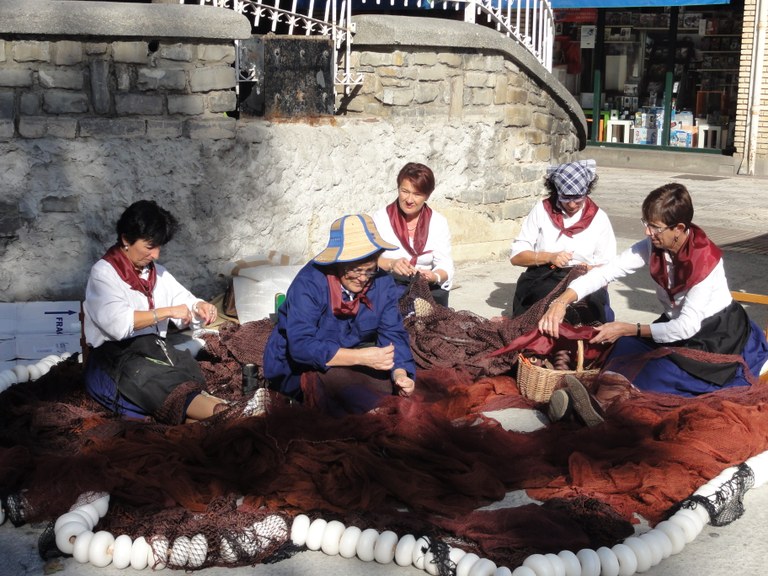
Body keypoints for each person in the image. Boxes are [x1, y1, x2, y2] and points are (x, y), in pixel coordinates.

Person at [539, 183, 768, 420]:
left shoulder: (706, 262)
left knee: (659, 370)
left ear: (678, 228)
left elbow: (686, 328)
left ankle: (598, 409)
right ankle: (597, 407)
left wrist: (630, 328)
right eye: (645, 223)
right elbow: (608, 271)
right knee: (624, 347)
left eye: (654, 227)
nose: (648, 232)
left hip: (714, 336)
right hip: (674, 325)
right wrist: (563, 300)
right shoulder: (654, 245)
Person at [83, 200, 229, 424]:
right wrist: (167, 312)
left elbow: (184, 301)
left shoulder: (157, 273)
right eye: (150, 246)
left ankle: (223, 415)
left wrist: (199, 307)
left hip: (153, 352)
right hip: (115, 359)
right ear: (126, 240)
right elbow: (118, 324)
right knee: (158, 381)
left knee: (187, 372)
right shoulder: (104, 273)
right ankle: (229, 415)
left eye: (159, 247)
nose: (156, 255)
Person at [263, 214, 416, 416]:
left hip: (349, 356)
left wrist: (400, 374)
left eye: (369, 270)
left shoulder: (382, 283)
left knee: (392, 393)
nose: (362, 278)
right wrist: (361, 357)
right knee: (347, 396)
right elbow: (301, 346)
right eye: (354, 270)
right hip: (299, 365)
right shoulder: (309, 283)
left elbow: (393, 334)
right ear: (337, 264)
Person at [510, 159, 616, 324]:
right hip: (546, 274)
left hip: (584, 278)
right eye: (566, 198)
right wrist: (549, 257)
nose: (572, 204)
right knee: (539, 300)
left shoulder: (599, 218)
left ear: (587, 192)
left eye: (578, 199)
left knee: (589, 307)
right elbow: (516, 257)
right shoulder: (542, 210)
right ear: (557, 191)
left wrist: (589, 269)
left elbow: (609, 267)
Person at [373, 162, 454, 307]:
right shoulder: (381, 219)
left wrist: (433, 276)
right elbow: (370, 260)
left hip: (426, 291)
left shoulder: (438, 222)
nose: (409, 200)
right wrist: (392, 264)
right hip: (389, 289)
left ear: (427, 196)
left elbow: (445, 265)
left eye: (417, 194)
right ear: (398, 188)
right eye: (405, 191)